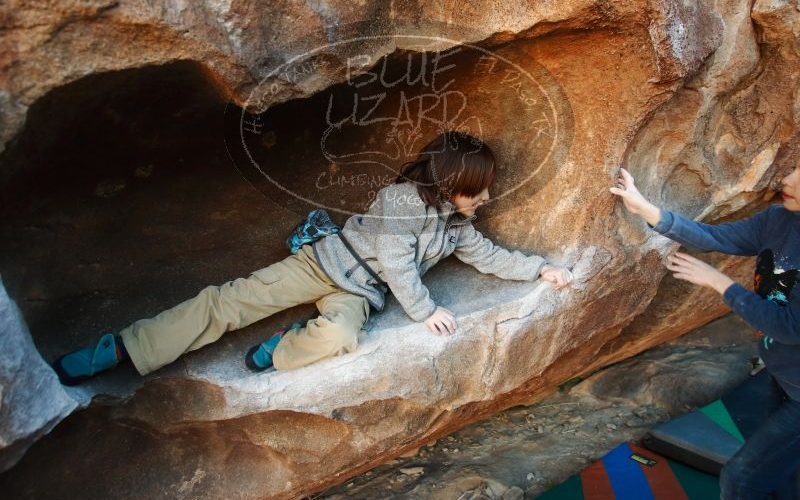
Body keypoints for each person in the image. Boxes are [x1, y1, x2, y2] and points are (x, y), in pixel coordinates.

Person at [53, 131, 572, 385]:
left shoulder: (457, 224)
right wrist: (425, 310)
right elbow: (396, 263)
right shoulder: (401, 201)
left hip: (358, 295)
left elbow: (487, 254)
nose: (486, 198)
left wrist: (538, 268)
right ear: (453, 183)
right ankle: (124, 347)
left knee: (344, 336)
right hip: (321, 264)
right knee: (229, 303)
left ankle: (282, 347)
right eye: (479, 189)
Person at [610, 159, 800, 500]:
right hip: (784, 375)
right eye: (796, 168)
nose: (788, 178)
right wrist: (647, 210)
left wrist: (719, 283)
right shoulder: (779, 220)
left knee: (741, 480)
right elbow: (714, 237)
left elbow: (790, 328)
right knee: (782, 475)